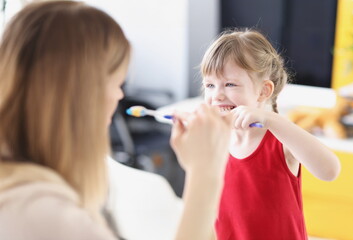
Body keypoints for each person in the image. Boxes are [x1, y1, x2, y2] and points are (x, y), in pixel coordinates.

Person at [0, 1, 232, 240]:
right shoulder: (46, 217)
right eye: (116, 83)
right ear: (82, 94)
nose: (120, 95)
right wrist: (205, 172)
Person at [200, 29, 341, 239]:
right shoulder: (214, 140)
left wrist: (272, 120)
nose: (217, 95)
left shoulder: (280, 139)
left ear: (263, 91)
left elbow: (330, 171)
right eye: (210, 85)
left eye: (230, 84)